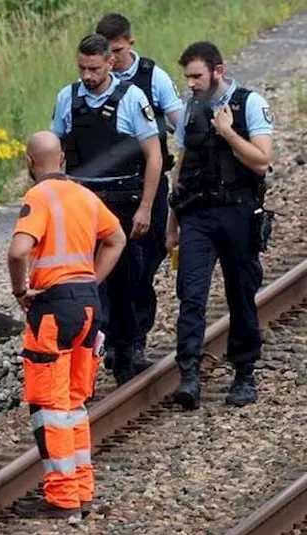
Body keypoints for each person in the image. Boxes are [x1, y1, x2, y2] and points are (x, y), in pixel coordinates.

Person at [7, 131, 127, 521]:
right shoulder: (85, 196)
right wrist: (91, 280)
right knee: (75, 403)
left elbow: (19, 250)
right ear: (62, 160)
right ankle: (82, 490)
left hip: (52, 308)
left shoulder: (38, 197)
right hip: (88, 306)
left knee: (50, 406)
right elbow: (116, 238)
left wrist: (20, 290)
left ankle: (61, 499)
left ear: (30, 163)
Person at [49, 33, 162, 385]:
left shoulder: (132, 98)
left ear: (110, 63)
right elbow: (54, 150)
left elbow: (154, 157)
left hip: (122, 202)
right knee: (85, 284)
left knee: (127, 280)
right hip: (82, 202)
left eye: (94, 69)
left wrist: (145, 207)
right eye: (82, 68)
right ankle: (93, 353)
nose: (87, 76)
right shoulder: (67, 98)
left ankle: (126, 351)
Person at [168, 41, 274, 409]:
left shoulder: (250, 104)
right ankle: (189, 375)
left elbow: (261, 161)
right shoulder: (190, 109)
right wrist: (172, 223)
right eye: (187, 77)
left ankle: (244, 373)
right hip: (197, 214)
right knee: (191, 295)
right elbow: (180, 169)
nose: (192, 83)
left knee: (241, 292)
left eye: (197, 76)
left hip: (238, 213)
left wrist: (229, 133)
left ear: (218, 70)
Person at [97, 13, 187, 373]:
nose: (113, 59)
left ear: (129, 44)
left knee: (144, 263)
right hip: (106, 190)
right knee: (107, 267)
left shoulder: (154, 76)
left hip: (146, 183)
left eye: (118, 50)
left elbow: (180, 122)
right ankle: (114, 340)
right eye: (108, 52)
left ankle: (134, 338)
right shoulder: (93, 82)